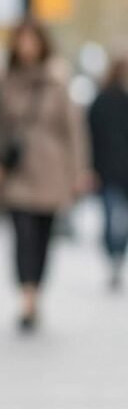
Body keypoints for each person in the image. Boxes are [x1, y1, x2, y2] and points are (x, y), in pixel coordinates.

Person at [0, 21, 89, 332]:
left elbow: (74, 131)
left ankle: (36, 290)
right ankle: (26, 296)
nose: (26, 47)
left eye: (32, 41)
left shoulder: (58, 81)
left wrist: (79, 171)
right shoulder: (5, 81)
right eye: (21, 41)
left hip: (51, 170)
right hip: (16, 171)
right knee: (22, 234)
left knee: (42, 236)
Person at [89, 56, 128, 290]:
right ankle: (112, 257)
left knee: (122, 221)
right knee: (112, 217)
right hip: (108, 170)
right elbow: (91, 135)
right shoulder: (102, 100)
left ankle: (118, 256)